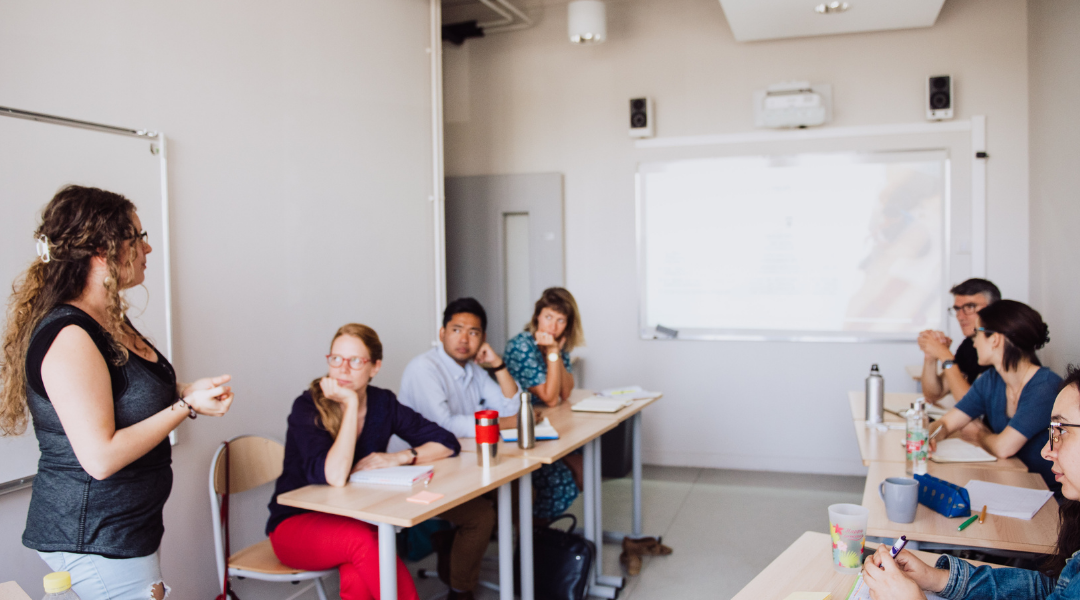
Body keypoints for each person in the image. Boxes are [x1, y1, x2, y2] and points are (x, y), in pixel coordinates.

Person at [0, 185, 235, 600]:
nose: (147, 250)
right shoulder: (70, 336)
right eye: (137, 238)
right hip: (91, 536)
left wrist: (184, 390)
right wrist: (185, 406)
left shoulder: (107, 318)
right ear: (103, 251)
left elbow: (125, 393)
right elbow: (101, 458)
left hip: (124, 531)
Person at [266, 323, 461, 600]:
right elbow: (334, 474)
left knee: (358, 576)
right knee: (365, 542)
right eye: (336, 359)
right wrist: (351, 404)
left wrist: (401, 457)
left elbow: (446, 442)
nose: (343, 369)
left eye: (355, 361)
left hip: (355, 518)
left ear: (375, 367)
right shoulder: (308, 406)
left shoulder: (382, 403)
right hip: (295, 524)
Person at [862, 366, 1080, 600]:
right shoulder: (990, 380)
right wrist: (936, 578)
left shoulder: (1041, 384)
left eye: (1061, 431)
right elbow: (1051, 590)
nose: (1046, 450)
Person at [398, 298, 520, 600]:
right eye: (456, 329)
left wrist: (498, 365)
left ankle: (461, 551)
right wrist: (501, 423)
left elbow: (513, 405)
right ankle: (460, 590)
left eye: (474, 332)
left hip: (457, 464)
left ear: (483, 339)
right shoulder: (424, 368)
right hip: (418, 471)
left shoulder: (474, 370)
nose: (464, 339)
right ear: (442, 333)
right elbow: (444, 426)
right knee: (480, 516)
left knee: (518, 490)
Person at [928, 300, 1060, 493]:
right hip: (1012, 484)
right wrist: (931, 435)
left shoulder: (1045, 387)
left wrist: (978, 434)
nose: (973, 341)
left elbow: (1003, 448)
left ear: (995, 339)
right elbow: (947, 423)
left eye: (977, 333)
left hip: (1049, 497)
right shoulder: (990, 380)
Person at [504, 287, 585, 521]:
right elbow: (550, 398)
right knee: (564, 483)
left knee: (585, 467)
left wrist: (555, 353)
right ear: (537, 316)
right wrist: (552, 352)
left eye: (561, 321)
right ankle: (528, 533)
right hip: (521, 431)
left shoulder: (557, 344)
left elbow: (566, 391)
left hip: (547, 425)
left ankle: (536, 533)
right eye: (548, 317)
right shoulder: (521, 346)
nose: (553, 327)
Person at [919, 279, 1000, 404]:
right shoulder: (968, 345)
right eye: (957, 309)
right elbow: (934, 394)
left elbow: (971, 405)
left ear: (993, 309)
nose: (960, 317)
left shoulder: (1000, 348)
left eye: (970, 307)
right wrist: (931, 357)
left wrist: (944, 355)